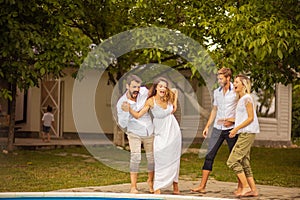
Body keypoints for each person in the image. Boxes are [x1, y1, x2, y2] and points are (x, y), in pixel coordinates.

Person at [124, 77, 181, 195]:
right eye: (160, 86)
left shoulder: (168, 96)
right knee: (159, 158)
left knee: (174, 158)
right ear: (155, 88)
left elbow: (175, 93)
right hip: (160, 132)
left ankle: (175, 185)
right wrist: (129, 109)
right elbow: (139, 115)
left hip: (173, 131)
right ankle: (157, 185)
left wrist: (174, 103)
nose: (163, 89)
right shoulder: (151, 101)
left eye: (165, 87)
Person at [192, 67, 238, 193]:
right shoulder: (217, 92)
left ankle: (241, 186)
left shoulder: (236, 91)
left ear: (228, 78)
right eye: (218, 78)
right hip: (217, 129)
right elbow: (214, 109)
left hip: (231, 129)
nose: (219, 80)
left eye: (221, 78)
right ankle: (202, 186)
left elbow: (242, 110)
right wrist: (207, 126)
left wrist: (232, 120)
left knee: (236, 158)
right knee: (209, 155)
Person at [116, 74, 154, 194]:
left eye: (138, 87)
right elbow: (122, 123)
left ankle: (151, 182)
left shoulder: (143, 91)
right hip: (134, 132)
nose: (136, 89)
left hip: (149, 130)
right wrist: (126, 111)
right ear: (127, 86)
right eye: (133, 87)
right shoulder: (121, 102)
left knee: (151, 158)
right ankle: (133, 186)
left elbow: (152, 95)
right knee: (136, 157)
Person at [227, 74, 259, 197]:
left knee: (232, 161)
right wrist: (230, 120)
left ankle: (245, 187)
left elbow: (251, 118)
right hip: (244, 132)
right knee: (244, 162)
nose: (234, 84)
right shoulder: (241, 99)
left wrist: (235, 129)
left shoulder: (247, 98)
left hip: (247, 132)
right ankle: (253, 190)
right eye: (234, 82)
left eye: (236, 82)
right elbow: (244, 118)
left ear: (243, 85)